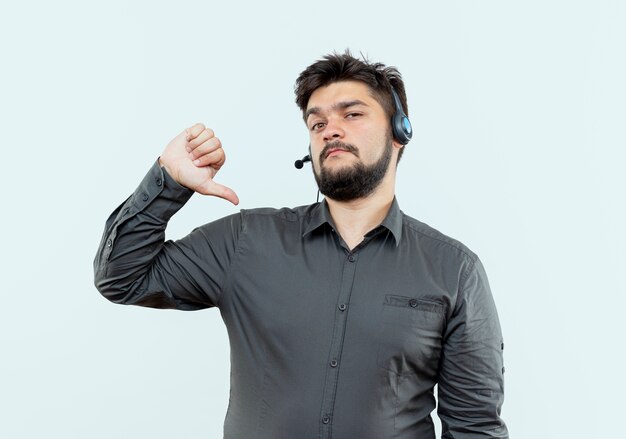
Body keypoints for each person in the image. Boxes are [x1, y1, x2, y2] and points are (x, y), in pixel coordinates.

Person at [94, 51, 508, 439]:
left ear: (400, 133)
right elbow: (122, 278)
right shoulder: (246, 241)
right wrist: (168, 180)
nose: (332, 130)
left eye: (353, 114)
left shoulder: (454, 270)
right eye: (317, 123)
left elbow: (474, 428)